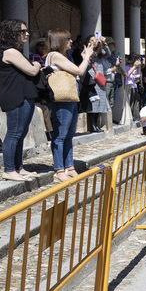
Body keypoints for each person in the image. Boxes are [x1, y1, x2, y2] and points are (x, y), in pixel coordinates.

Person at [45, 29, 100, 181]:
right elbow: (79, 71)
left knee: (69, 135)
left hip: (70, 98)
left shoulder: (62, 56)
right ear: (60, 40)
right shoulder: (54, 56)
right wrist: (87, 57)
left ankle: (69, 166)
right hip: (62, 99)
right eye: (68, 38)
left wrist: (85, 58)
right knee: (60, 135)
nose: (71, 41)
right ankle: (59, 168)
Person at [0, 19, 41, 182]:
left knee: (21, 133)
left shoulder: (15, 50)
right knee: (14, 132)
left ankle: (18, 167)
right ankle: (9, 169)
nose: (26, 34)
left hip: (24, 95)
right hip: (16, 96)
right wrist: (36, 64)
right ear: (12, 33)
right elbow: (31, 71)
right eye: (23, 31)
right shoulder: (9, 51)